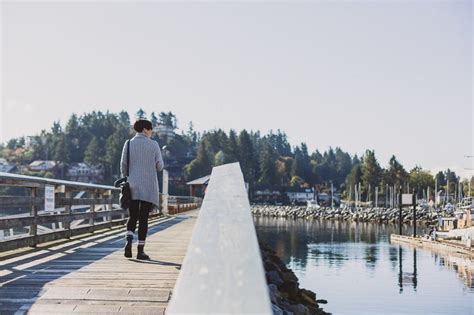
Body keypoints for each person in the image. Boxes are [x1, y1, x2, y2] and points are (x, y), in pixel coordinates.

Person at [120, 119, 164, 260]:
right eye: (150, 129)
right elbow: (159, 167)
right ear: (145, 129)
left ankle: (128, 241)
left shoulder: (128, 144)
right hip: (149, 185)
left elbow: (123, 166)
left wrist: (131, 175)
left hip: (133, 184)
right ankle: (140, 250)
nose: (151, 132)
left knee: (132, 216)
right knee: (143, 218)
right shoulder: (154, 145)